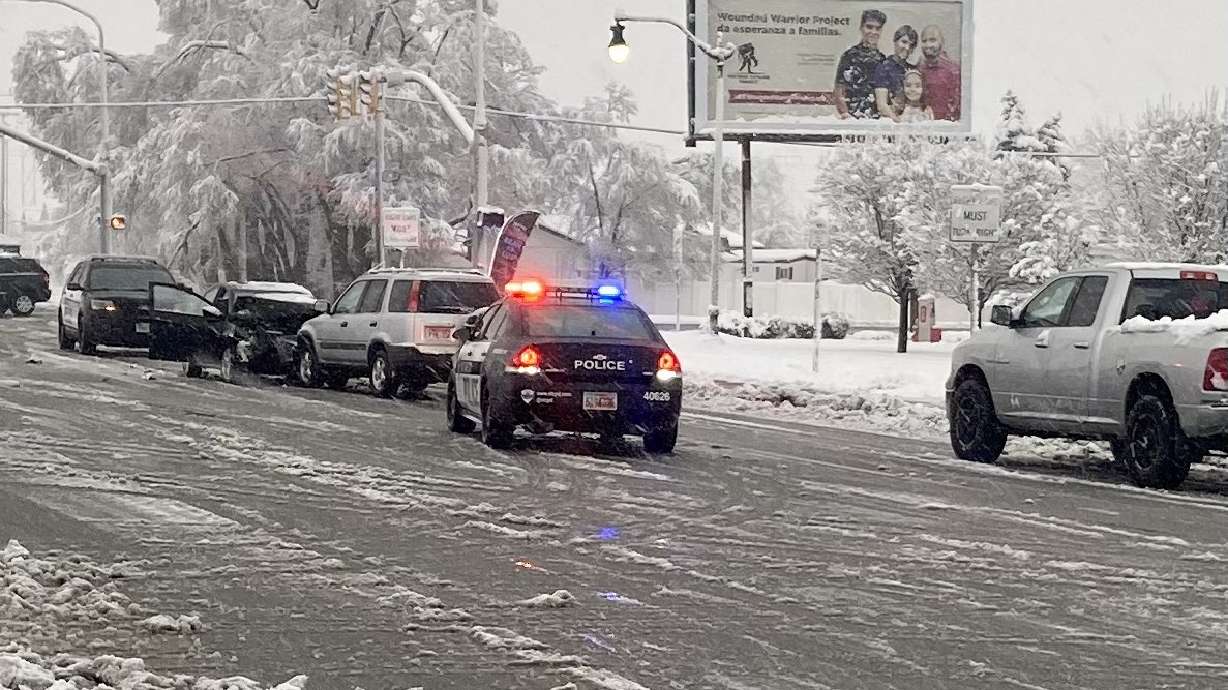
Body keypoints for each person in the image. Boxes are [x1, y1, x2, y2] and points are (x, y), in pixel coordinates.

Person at [834, 9, 887, 120]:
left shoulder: (883, 60)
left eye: (877, 28)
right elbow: (839, 93)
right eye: (869, 27)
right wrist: (848, 117)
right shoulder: (849, 56)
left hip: (877, 121)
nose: (873, 32)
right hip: (852, 119)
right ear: (861, 27)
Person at [871, 24, 918, 121]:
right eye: (904, 42)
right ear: (895, 41)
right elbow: (882, 106)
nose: (907, 48)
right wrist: (898, 122)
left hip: (910, 119)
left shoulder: (913, 70)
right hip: (890, 122)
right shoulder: (883, 68)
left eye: (911, 45)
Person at [918, 25, 961, 121]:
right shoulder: (920, 68)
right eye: (924, 41)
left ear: (942, 42)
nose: (928, 45)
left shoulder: (952, 69)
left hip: (945, 125)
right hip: (924, 124)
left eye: (932, 40)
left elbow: (957, 103)